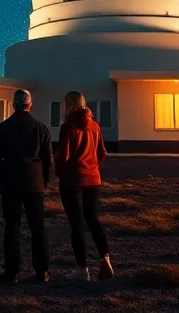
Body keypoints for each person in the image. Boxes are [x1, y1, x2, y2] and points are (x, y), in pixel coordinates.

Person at [0, 89, 52, 285]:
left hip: (10, 183)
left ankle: (12, 271)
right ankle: (42, 271)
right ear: (29, 105)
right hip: (34, 184)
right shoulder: (40, 128)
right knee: (38, 228)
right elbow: (48, 159)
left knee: (12, 228)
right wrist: (44, 181)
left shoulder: (3, 128)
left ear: (13, 105)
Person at [55, 90, 115, 281]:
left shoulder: (67, 127)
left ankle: (82, 268)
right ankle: (105, 258)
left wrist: (60, 173)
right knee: (93, 220)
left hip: (73, 181)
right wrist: (93, 167)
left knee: (77, 224)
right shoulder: (95, 126)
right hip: (93, 180)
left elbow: (63, 157)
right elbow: (102, 152)